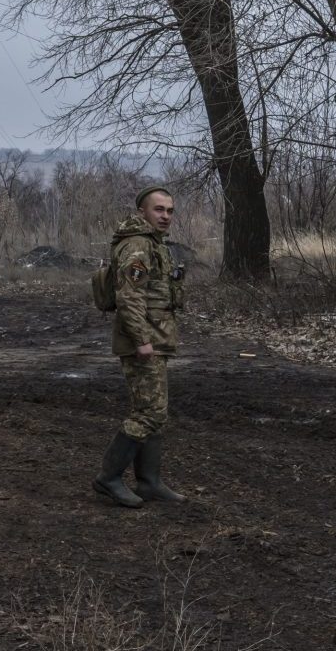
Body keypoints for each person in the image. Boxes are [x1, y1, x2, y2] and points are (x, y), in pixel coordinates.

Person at [93, 186, 189, 508]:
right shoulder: (137, 246)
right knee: (149, 412)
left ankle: (149, 482)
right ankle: (109, 478)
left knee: (154, 411)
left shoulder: (154, 244)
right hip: (142, 343)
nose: (165, 216)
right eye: (159, 209)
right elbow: (129, 296)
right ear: (142, 213)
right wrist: (142, 341)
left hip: (155, 339)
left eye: (170, 210)